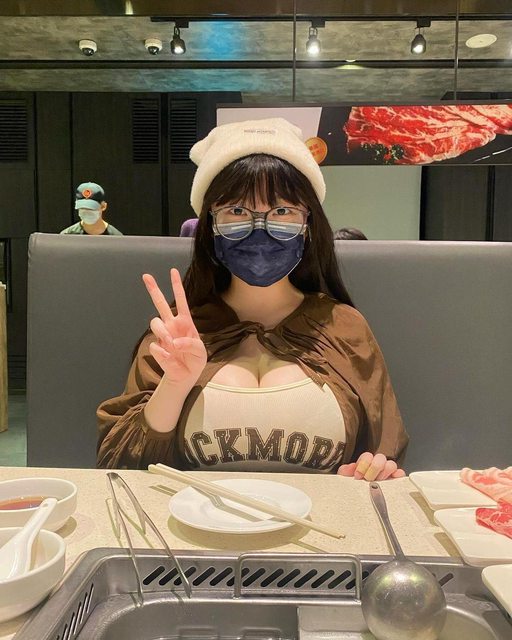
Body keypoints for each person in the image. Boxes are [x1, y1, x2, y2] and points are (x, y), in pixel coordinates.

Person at [97, 118, 408, 480]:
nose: (260, 227)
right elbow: (122, 470)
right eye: (237, 211)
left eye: (282, 211)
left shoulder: (344, 328)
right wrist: (175, 385)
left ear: (308, 225)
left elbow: (383, 453)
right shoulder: (178, 333)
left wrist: (375, 471)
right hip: (193, 516)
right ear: (210, 225)